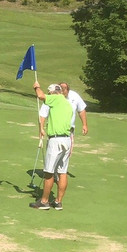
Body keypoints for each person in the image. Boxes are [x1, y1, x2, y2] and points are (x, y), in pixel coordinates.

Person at [30, 81, 73, 210]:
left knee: (48, 172)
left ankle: (44, 202)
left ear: (53, 92)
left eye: (50, 93)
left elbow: (41, 96)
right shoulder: (67, 103)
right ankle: (58, 202)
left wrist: (37, 86)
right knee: (62, 172)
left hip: (56, 141)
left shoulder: (56, 99)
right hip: (67, 140)